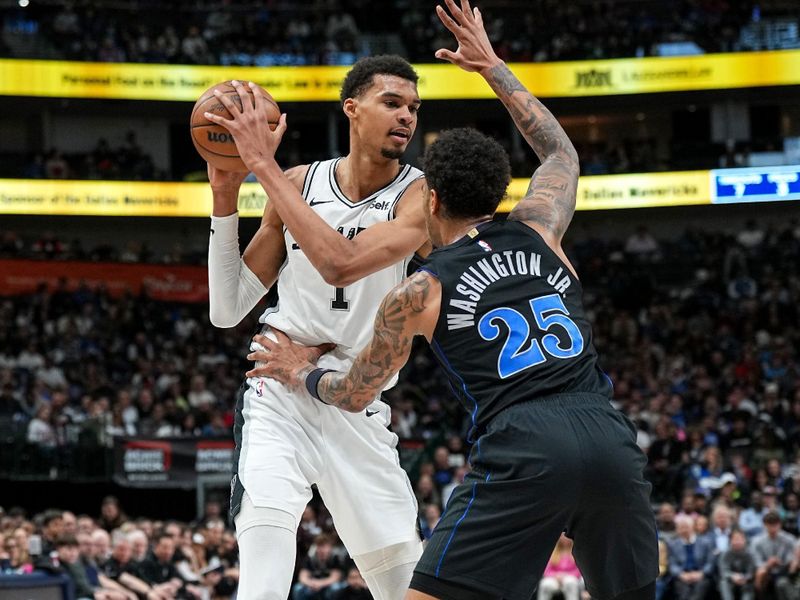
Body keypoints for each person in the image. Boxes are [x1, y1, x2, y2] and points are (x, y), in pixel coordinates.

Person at [247, 2, 659, 599]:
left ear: (430, 200)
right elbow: (561, 154)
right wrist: (491, 66)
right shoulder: (541, 228)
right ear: (499, 194)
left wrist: (301, 370)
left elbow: (354, 391)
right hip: (608, 432)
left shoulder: (420, 291)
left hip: (524, 444)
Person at [201, 54, 428, 600]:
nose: (407, 117)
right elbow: (227, 309)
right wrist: (225, 195)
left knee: (404, 586)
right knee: (263, 579)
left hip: (357, 397)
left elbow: (342, 260)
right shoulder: (299, 183)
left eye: (414, 108)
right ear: (352, 109)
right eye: (392, 103)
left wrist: (263, 167)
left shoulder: (421, 195)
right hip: (279, 392)